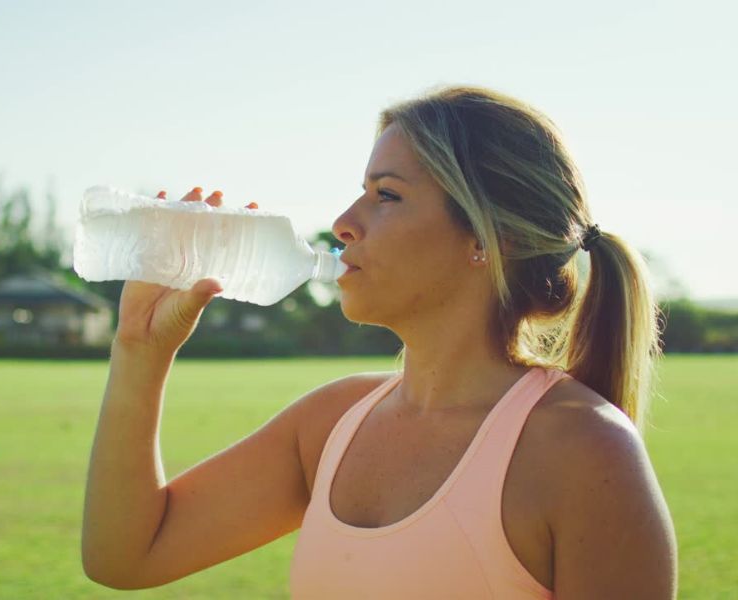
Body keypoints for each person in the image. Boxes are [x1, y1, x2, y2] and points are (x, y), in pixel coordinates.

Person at [82, 86, 678, 598]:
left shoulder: (584, 453)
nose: (344, 222)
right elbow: (128, 556)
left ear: (485, 239)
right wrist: (140, 345)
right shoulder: (330, 423)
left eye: (386, 194)